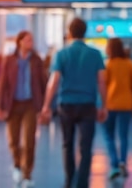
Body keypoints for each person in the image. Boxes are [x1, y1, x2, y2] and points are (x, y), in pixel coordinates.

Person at [40, 17, 108, 188]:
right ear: (85, 33)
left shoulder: (61, 54)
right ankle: (83, 183)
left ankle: (69, 181)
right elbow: (102, 81)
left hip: (67, 105)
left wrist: (46, 106)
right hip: (88, 104)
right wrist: (104, 105)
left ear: (69, 33)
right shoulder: (95, 54)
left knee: (67, 145)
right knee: (86, 147)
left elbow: (54, 81)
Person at [0, 31, 47, 187]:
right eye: (28, 40)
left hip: (31, 104)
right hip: (13, 104)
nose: (31, 42)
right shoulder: (10, 60)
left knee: (29, 141)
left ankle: (27, 173)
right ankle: (17, 165)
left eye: (32, 40)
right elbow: (2, 84)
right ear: (20, 42)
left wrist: (45, 106)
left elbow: (43, 83)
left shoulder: (37, 61)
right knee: (13, 140)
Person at [102, 38, 132, 180]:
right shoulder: (130, 64)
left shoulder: (108, 64)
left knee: (108, 134)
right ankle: (123, 161)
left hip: (110, 103)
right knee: (123, 135)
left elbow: (104, 84)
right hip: (126, 103)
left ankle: (114, 164)